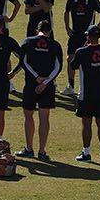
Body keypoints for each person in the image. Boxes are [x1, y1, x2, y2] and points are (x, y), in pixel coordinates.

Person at [17, 19, 63, 160]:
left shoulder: (27, 42)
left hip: (31, 84)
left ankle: (29, 148)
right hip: (47, 86)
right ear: (50, 32)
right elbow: (58, 66)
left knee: (28, 115)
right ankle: (42, 151)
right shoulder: (55, 45)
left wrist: (36, 78)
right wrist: (46, 82)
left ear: (37, 30)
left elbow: (23, 62)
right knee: (44, 118)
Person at [70, 24, 100, 161]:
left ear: (88, 36)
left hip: (86, 92)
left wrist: (81, 48)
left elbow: (73, 66)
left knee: (86, 123)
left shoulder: (81, 52)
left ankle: (86, 152)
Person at [63, 0, 100, 96]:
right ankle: (71, 86)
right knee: (70, 59)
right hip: (75, 34)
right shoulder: (71, 0)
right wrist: (67, 28)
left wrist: (96, 28)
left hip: (87, 36)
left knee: (87, 61)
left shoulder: (92, 0)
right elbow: (66, 13)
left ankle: (88, 87)